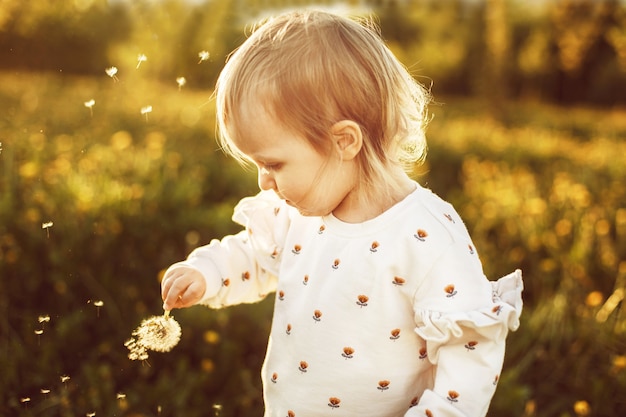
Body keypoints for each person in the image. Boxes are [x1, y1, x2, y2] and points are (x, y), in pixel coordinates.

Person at [161, 9, 523, 417]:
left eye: (274, 164)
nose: (264, 182)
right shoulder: (298, 214)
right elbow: (254, 255)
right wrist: (207, 272)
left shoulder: (426, 237)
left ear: (344, 142)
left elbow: (468, 357)